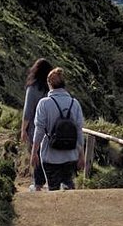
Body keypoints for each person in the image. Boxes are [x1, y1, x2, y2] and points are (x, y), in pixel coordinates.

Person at [31, 67, 84, 191]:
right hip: (71, 155)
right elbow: (79, 131)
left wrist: (34, 153)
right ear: (64, 84)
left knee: (53, 190)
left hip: (50, 155)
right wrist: (81, 154)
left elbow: (39, 130)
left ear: (49, 84)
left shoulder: (44, 103)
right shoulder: (74, 103)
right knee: (69, 188)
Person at [21, 58, 51, 191]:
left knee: (36, 154)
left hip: (36, 128)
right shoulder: (51, 88)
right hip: (52, 129)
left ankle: (38, 184)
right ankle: (50, 183)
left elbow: (28, 111)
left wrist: (23, 130)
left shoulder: (32, 88)